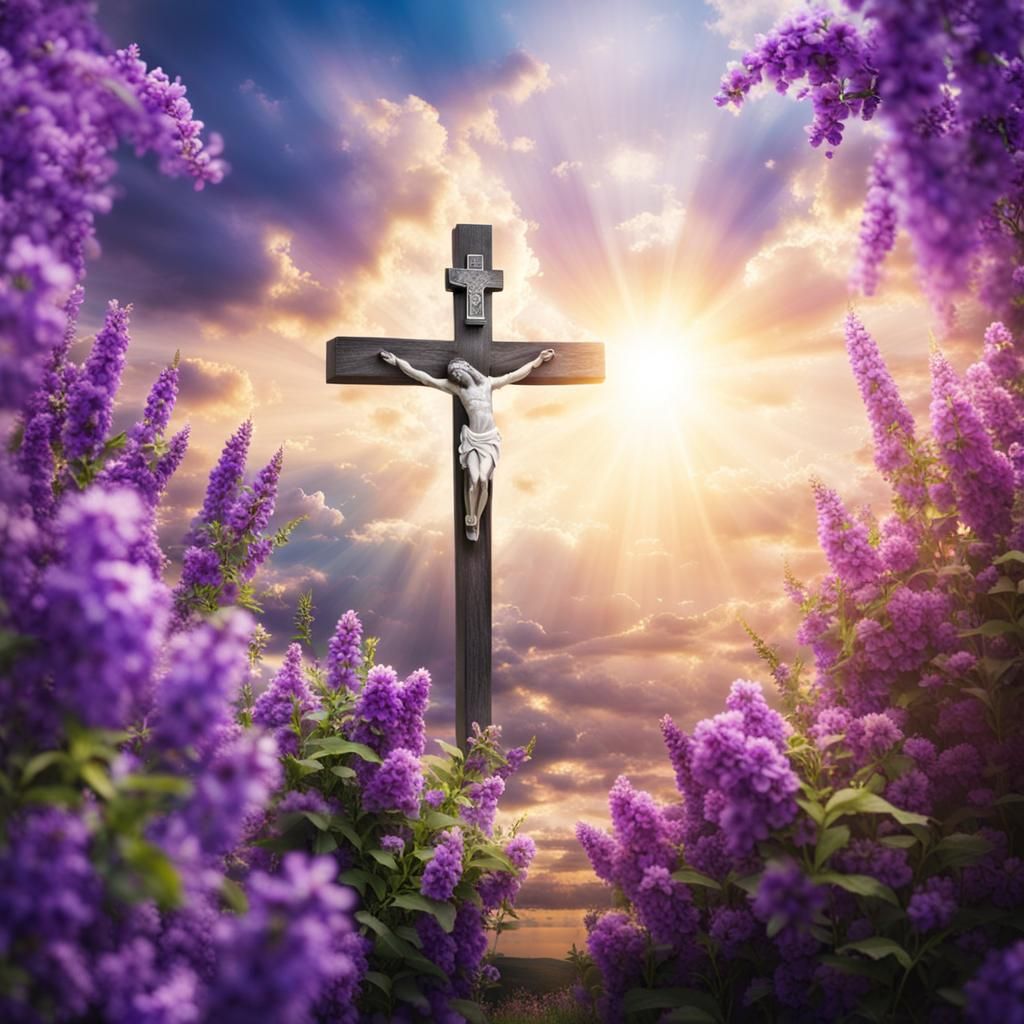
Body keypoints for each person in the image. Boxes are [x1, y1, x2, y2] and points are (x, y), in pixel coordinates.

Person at [380, 348, 555, 540]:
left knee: (483, 480)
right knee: (472, 480)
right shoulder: (458, 389)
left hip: (489, 439)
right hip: (472, 439)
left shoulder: (488, 383)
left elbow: (514, 375)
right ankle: (471, 518)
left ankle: (477, 517)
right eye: (453, 375)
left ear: (467, 369)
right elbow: (425, 378)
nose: (456, 376)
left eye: (457, 372)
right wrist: (397, 362)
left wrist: (538, 360)